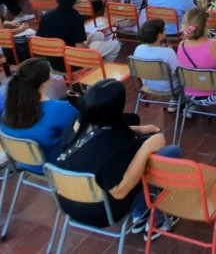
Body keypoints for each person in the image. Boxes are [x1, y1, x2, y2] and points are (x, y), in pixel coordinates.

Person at [54, 79, 180, 238]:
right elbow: (120, 191)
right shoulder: (112, 146)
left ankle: (141, 212)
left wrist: (139, 129)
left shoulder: (75, 125)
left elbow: (100, 131)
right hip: (101, 212)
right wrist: (147, 148)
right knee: (170, 153)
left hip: (68, 203)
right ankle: (151, 215)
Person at [0, 58, 78, 171]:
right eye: (51, 74)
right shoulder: (59, 108)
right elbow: (81, 127)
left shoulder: (9, 110)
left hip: (25, 163)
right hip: (55, 167)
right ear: (44, 83)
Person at [37, 0, 121, 70]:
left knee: (98, 35)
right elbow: (80, 48)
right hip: (70, 62)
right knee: (115, 44)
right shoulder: (75, 17)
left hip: (48, 60)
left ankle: (95, 67)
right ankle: (100, 72)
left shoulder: (48, 15)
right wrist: (87, 44)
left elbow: (40, 39)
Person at [131, 19, 179, 96]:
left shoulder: (139, 49)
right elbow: (177, 71)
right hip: (169, 87)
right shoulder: (168, 52)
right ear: (159, 36)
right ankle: (177, 101)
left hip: (148, 85)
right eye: (164, 30)